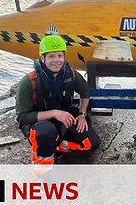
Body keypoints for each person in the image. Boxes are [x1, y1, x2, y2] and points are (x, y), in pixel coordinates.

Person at [15, 35, 100, 167]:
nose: (56, 60)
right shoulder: (28, 82)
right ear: (42, 58)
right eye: (51, 56)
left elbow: (85, 92)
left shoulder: (71, 74)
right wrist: (54, 113)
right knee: (45, 134)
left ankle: (57, 146)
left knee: (92, 143)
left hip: (64, 120)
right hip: (39, 125)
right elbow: (22, 117)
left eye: (59, 56)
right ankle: (43, 172)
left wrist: (82, 114)